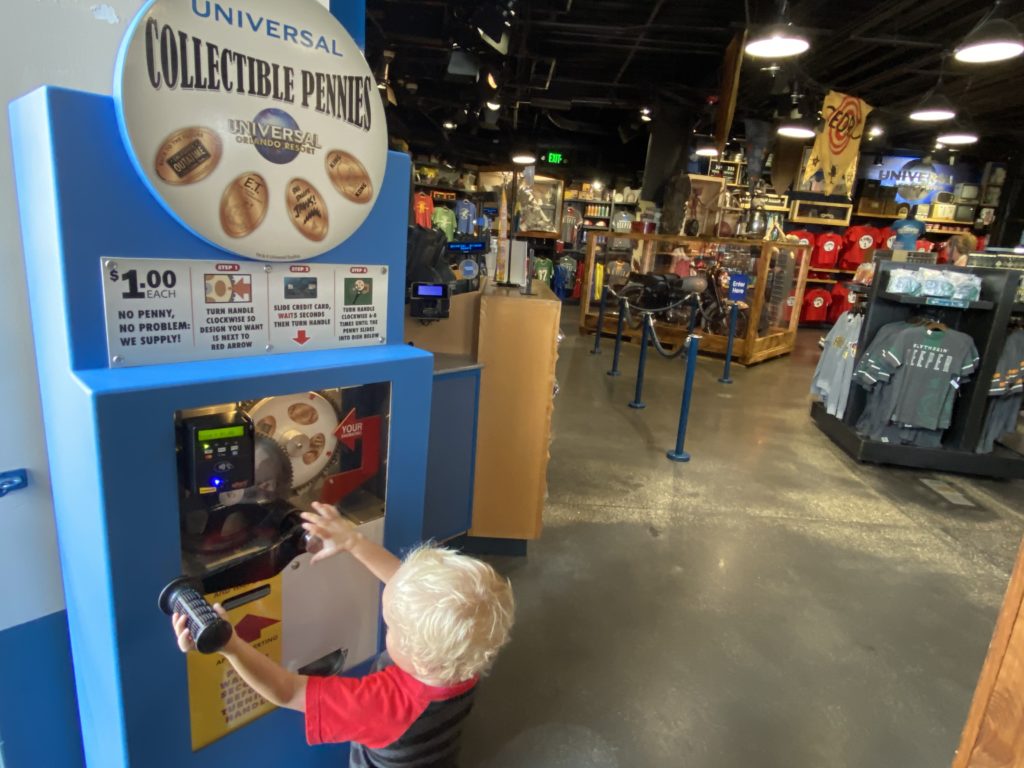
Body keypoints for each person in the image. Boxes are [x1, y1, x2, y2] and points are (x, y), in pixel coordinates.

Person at [170, 502, 515, 767]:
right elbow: (406, 587)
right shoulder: (467, 654)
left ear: (419, 656)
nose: (387, 627)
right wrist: (353, 541)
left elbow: (287, 691)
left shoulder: (383, 706)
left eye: (392, 625)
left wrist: (230, 645)